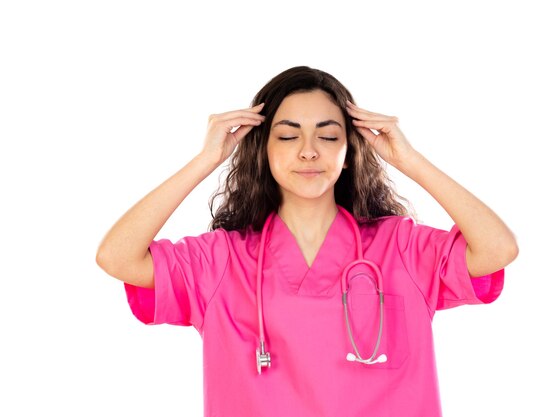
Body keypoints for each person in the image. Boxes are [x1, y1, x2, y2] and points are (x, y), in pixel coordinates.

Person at [96, 65, 518, 417]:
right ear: (261, 148)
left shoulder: (400, 250)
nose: (309, 151)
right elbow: (116, 256)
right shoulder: (221, 260)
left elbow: (498, 249)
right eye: (288, 135)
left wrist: (409, 160)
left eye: (328, 135)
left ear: (349, 150)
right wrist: (206, 160)